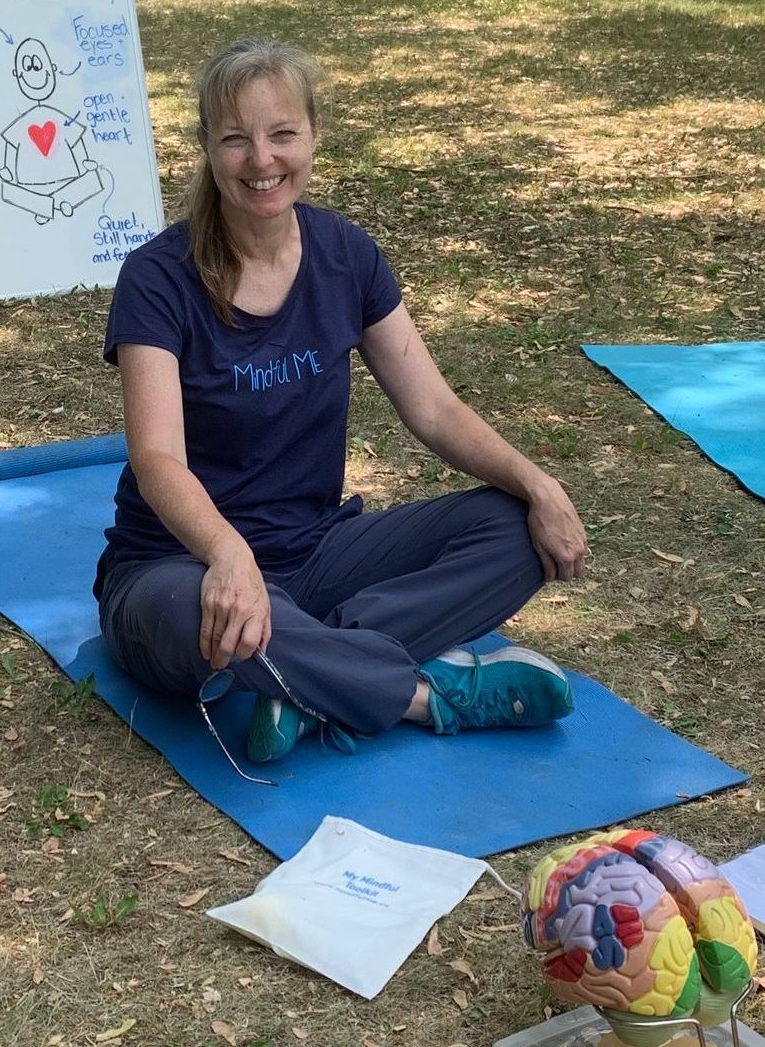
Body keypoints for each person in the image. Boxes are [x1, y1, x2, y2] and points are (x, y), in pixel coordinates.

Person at [97, 38, 590, 765]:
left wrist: (538, 484)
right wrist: (227, 552)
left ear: (314, 134)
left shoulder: (345, 254)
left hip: (314, 556)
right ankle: (426, 696)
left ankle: (305, 671)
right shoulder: (157, 279)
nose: (262, 159)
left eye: (282, 134)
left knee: (516, 529)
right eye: (235, 138)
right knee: (190, 618)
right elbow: (157, 457)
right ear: (206, 147)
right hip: (177, 563)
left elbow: (433, 409)